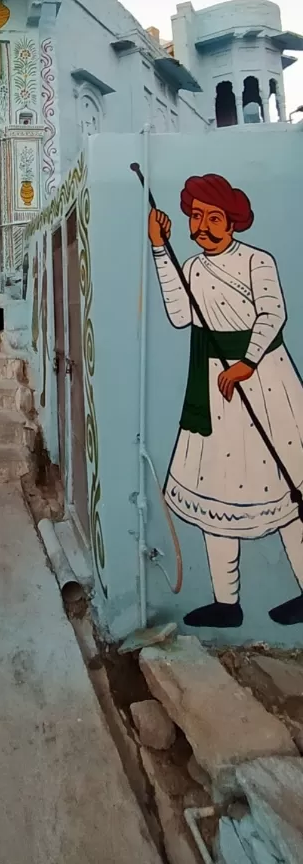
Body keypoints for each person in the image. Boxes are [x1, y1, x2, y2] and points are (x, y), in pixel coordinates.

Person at [150, 173, 303, 627]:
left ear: (232, 221)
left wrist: (248, 362)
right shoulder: (194, 267)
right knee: (215, 492)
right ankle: (226, 603)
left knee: (289, 493)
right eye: (196, 217)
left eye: (213, 217)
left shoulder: (257, 261)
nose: (204, 226)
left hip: (265, 383)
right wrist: (161, 250)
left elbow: (273, 313)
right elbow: (181, 315)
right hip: (215, 388)